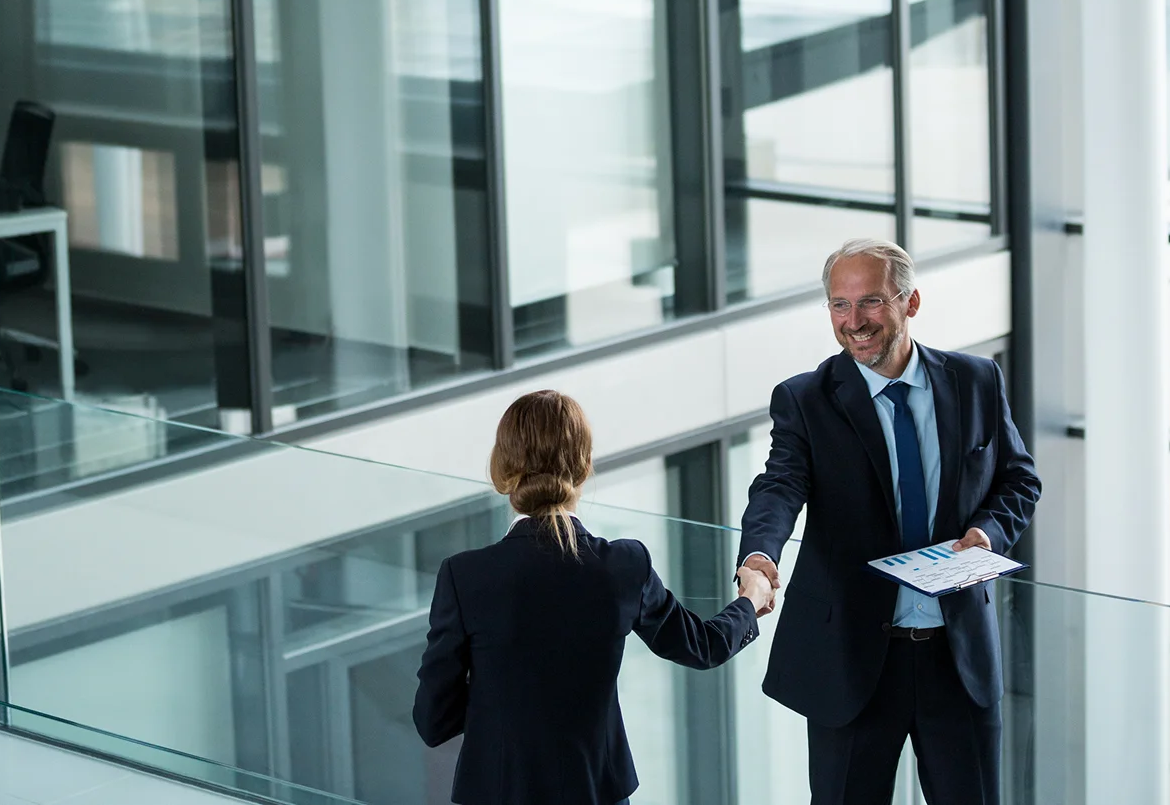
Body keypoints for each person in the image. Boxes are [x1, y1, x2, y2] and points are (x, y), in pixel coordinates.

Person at [737, 238, 1041, 805]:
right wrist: (759, 556)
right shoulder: (806, 400)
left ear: (911, 302)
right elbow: (778, 487)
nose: (854, 322)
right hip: (850, 664)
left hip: (958, 660)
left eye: (871, 302)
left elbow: (1019, 481)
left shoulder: (977, 382)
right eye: (839, 305)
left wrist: (986, 534)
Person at [414, 388, 773, 805]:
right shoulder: (624, 565)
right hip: (597, 792)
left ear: (502, 468)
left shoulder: (465, 576)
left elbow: (432, 720)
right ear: (584, 468)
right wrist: (750, 599)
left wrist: (498, 701)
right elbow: (702, 647)